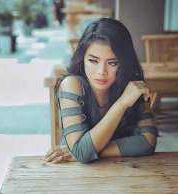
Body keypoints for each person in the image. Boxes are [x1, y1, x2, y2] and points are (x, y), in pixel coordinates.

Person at [44, 18, 157, 164]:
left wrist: (87, 150)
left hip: (124, 174)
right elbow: (82, 152)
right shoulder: (72, 85)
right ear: (82, 58)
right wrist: (122, 103)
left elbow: (147, 143)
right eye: (93, 61)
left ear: (124, 63)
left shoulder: (132, 87)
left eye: (112, 63)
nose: (101, 72)